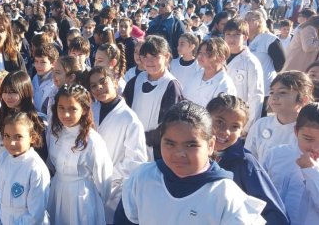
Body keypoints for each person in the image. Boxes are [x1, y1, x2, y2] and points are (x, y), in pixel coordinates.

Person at [115, 101, 266, 225]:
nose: (179, 153)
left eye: (191, 145)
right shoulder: (142, 177)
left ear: (210, 145)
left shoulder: (226, 195)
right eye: (170, 143)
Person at [206, 94, 290, 225]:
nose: (225, 131)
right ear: (205, 119)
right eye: (219, 122)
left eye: (235, 126)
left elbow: (276, 216)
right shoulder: (195, 155)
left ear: (242, 131)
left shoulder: (245, 164)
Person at [88, 66, 148, 223]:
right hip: (88, 186)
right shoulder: (90, 111)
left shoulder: (130, 119)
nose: (99, 88)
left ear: (114, 81)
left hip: (114, 190)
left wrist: (107, 175)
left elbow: (136, 161)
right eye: (93, 85)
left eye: (103, 81)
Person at [47, 84, 113, 225]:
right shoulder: (55, 134)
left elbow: (104, 180)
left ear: (83, 110)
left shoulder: (92, 140)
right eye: (61, 108)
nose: (66, 114)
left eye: (72, 109)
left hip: (82, 200)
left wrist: (95, 202)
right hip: (57, 193)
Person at [123, 35, 184, 160]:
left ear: (166, 57)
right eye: (145, 57)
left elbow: (169, 125)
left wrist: (143, 137)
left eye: (155, 57)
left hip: (156, 150)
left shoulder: (171, 85)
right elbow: (124, 109)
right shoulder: (136, 81)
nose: (149, 62)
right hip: (132, 146)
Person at [0, 112, 50, 224]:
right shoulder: (3, 159)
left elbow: (35, 214)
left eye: (18, 137)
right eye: (7, 136)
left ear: (33, 138)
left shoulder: (36, 168)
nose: (11, 142)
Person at [264, 103, 319, 225]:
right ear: (296, 131)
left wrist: (312, 172)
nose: (316, 148)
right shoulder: (276, 154)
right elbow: (262, 190)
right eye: (308, 139)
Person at [245, 71, 313, 164]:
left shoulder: (310, 131)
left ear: (304, 99)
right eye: (272, 92)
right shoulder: (260, 125)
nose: (274, 97)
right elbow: (248, 159)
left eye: (282, 92)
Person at [223, 18, 264, 130]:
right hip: (219, 115)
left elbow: (256, 96)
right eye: (228, 34)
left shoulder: (251, 62)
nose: (231, 38)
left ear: (245, 37)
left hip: (239, 118)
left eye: (236, 34)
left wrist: (248, 126)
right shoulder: (219, 58)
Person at [0, 71, 46, 161]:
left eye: (13, 92)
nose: (8, 96)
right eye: (5, 92)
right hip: (2, 168)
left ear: (25, 92)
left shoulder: (35, 119)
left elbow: (41, 152)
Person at [245, 11, 285, 116]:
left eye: (249, 19)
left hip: (263, 84)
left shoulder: (270, 39)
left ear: (259, 22)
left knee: (258, 115)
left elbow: (280, 62)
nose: (245, 22)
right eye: (245, 19)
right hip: (245, 83)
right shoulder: (243, 38)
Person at [183, 38, 236, 107]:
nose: (200, 56)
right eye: (200, 52)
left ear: (221, 58)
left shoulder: (225, 86)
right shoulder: (195, 74)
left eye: (207, 53)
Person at [32, 43, 58, 113]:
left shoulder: (56, 83)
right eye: (36, 61)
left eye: (43, 62)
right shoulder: (35, 78)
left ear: (53, 64)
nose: (38, 66)